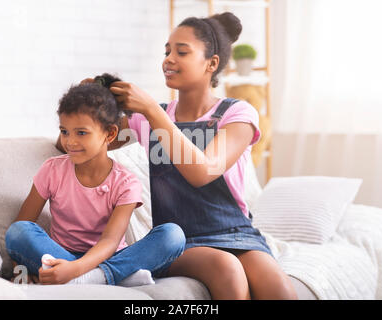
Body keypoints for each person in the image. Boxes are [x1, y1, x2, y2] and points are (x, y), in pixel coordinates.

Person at [90, 12, 297, 300]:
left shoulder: (237, 114)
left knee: (280, 290)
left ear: (211, 63)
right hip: (176, 240)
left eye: (181, 52)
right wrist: (92, 98)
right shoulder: (148, 118)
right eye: (167, 51)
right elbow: (87, 139)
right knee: (227, 269)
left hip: (235, 232)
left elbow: (203, 171)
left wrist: (152, 111)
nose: (168, 59)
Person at [5, 73, 186, 286]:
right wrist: (27, 269)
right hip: (60, 253)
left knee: (172, 235)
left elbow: (110, 241)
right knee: (18, 232)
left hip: (108, 255)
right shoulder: (52, 169)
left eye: (81, 133)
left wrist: (74, 270)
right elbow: (22, 224)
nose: (70, 141)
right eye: (65, 131)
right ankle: (113, 277)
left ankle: (89, 278)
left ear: (110, 135)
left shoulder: (125, 183)